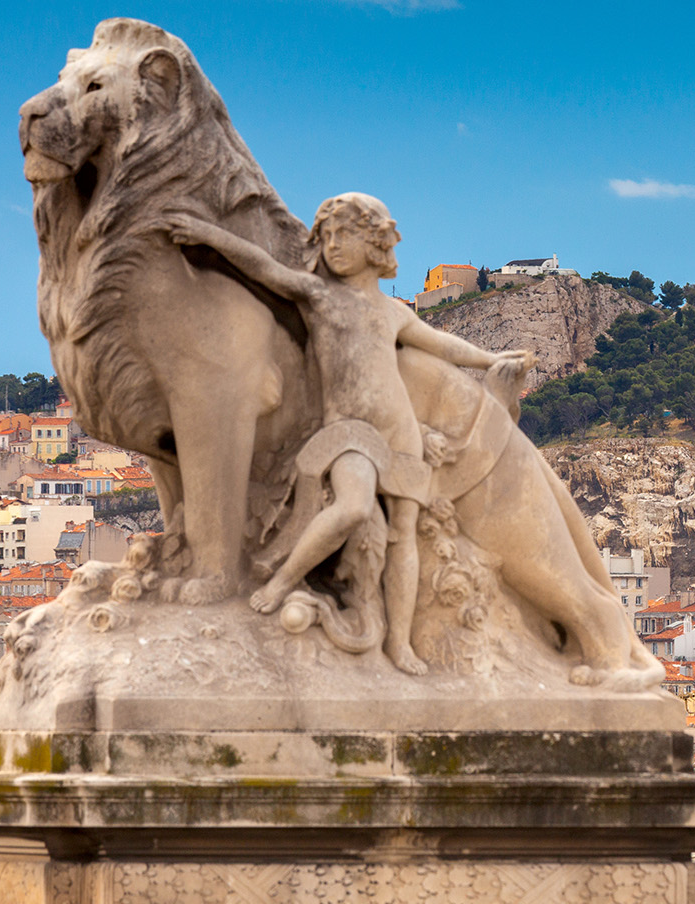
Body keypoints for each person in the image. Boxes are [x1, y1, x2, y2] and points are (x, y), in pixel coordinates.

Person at [164, 194, 527, 675]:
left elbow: (440, 343)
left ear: (375, 244)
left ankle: (399, 642)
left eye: (345, 235)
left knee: (403, 537)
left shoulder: (391, 311)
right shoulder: (320, 296)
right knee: (353, 506)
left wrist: (489, 360)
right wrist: (210, 235)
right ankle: (280, 581)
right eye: (327, 236)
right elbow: (264, 269)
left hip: (399, 431)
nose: (333, 245)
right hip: (347, 431)